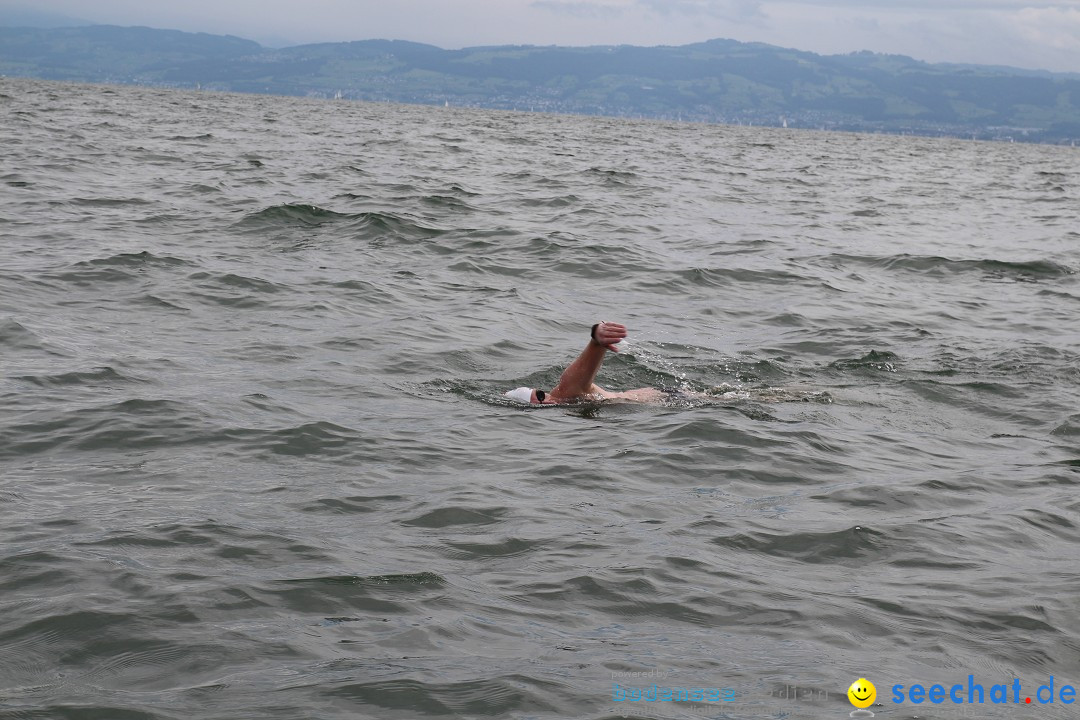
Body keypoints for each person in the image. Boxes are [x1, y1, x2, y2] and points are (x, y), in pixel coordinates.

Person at [505, 322, 667, 404]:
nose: (545, 398)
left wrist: (596, 338)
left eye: (540, 393)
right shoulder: (567, 406)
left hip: (667, 398)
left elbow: (582, 368)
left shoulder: (564, 390)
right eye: (539, 399)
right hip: (660, 401)